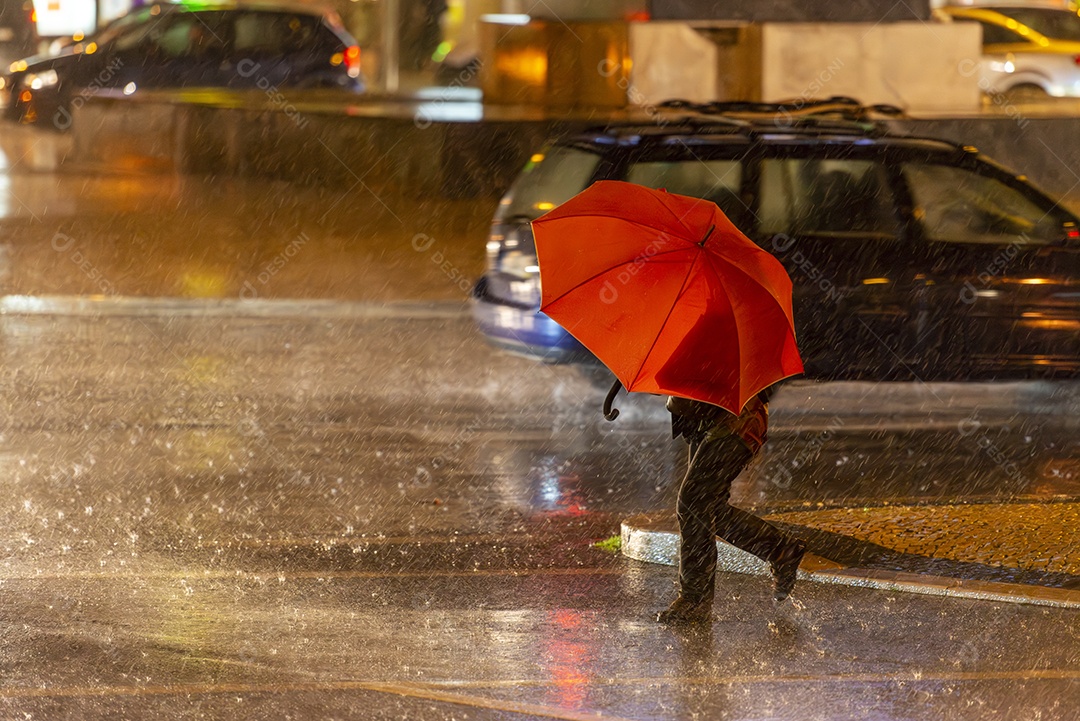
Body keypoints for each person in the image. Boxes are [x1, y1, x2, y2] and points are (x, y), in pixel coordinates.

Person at [656, 389, 807, 625]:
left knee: (694, 502)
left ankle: (695, 599)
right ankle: (780, 549)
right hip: (702, 418)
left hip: (735, 421)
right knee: (706, 509)